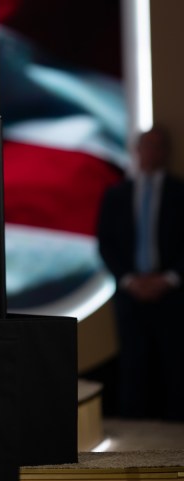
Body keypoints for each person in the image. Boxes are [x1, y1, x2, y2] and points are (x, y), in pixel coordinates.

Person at [96, 125, 184, 420]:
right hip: (130, 295)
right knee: (133, 367)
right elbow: (105, 243)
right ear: (137, 150)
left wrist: (169, 279)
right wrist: (130, 280)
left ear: (167, 152)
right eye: (147, 145)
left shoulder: (180, 193)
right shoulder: (116, 194)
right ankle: (132, 441)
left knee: (175, 366)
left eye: (159, 146)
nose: (152, 152)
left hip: (173, 295)